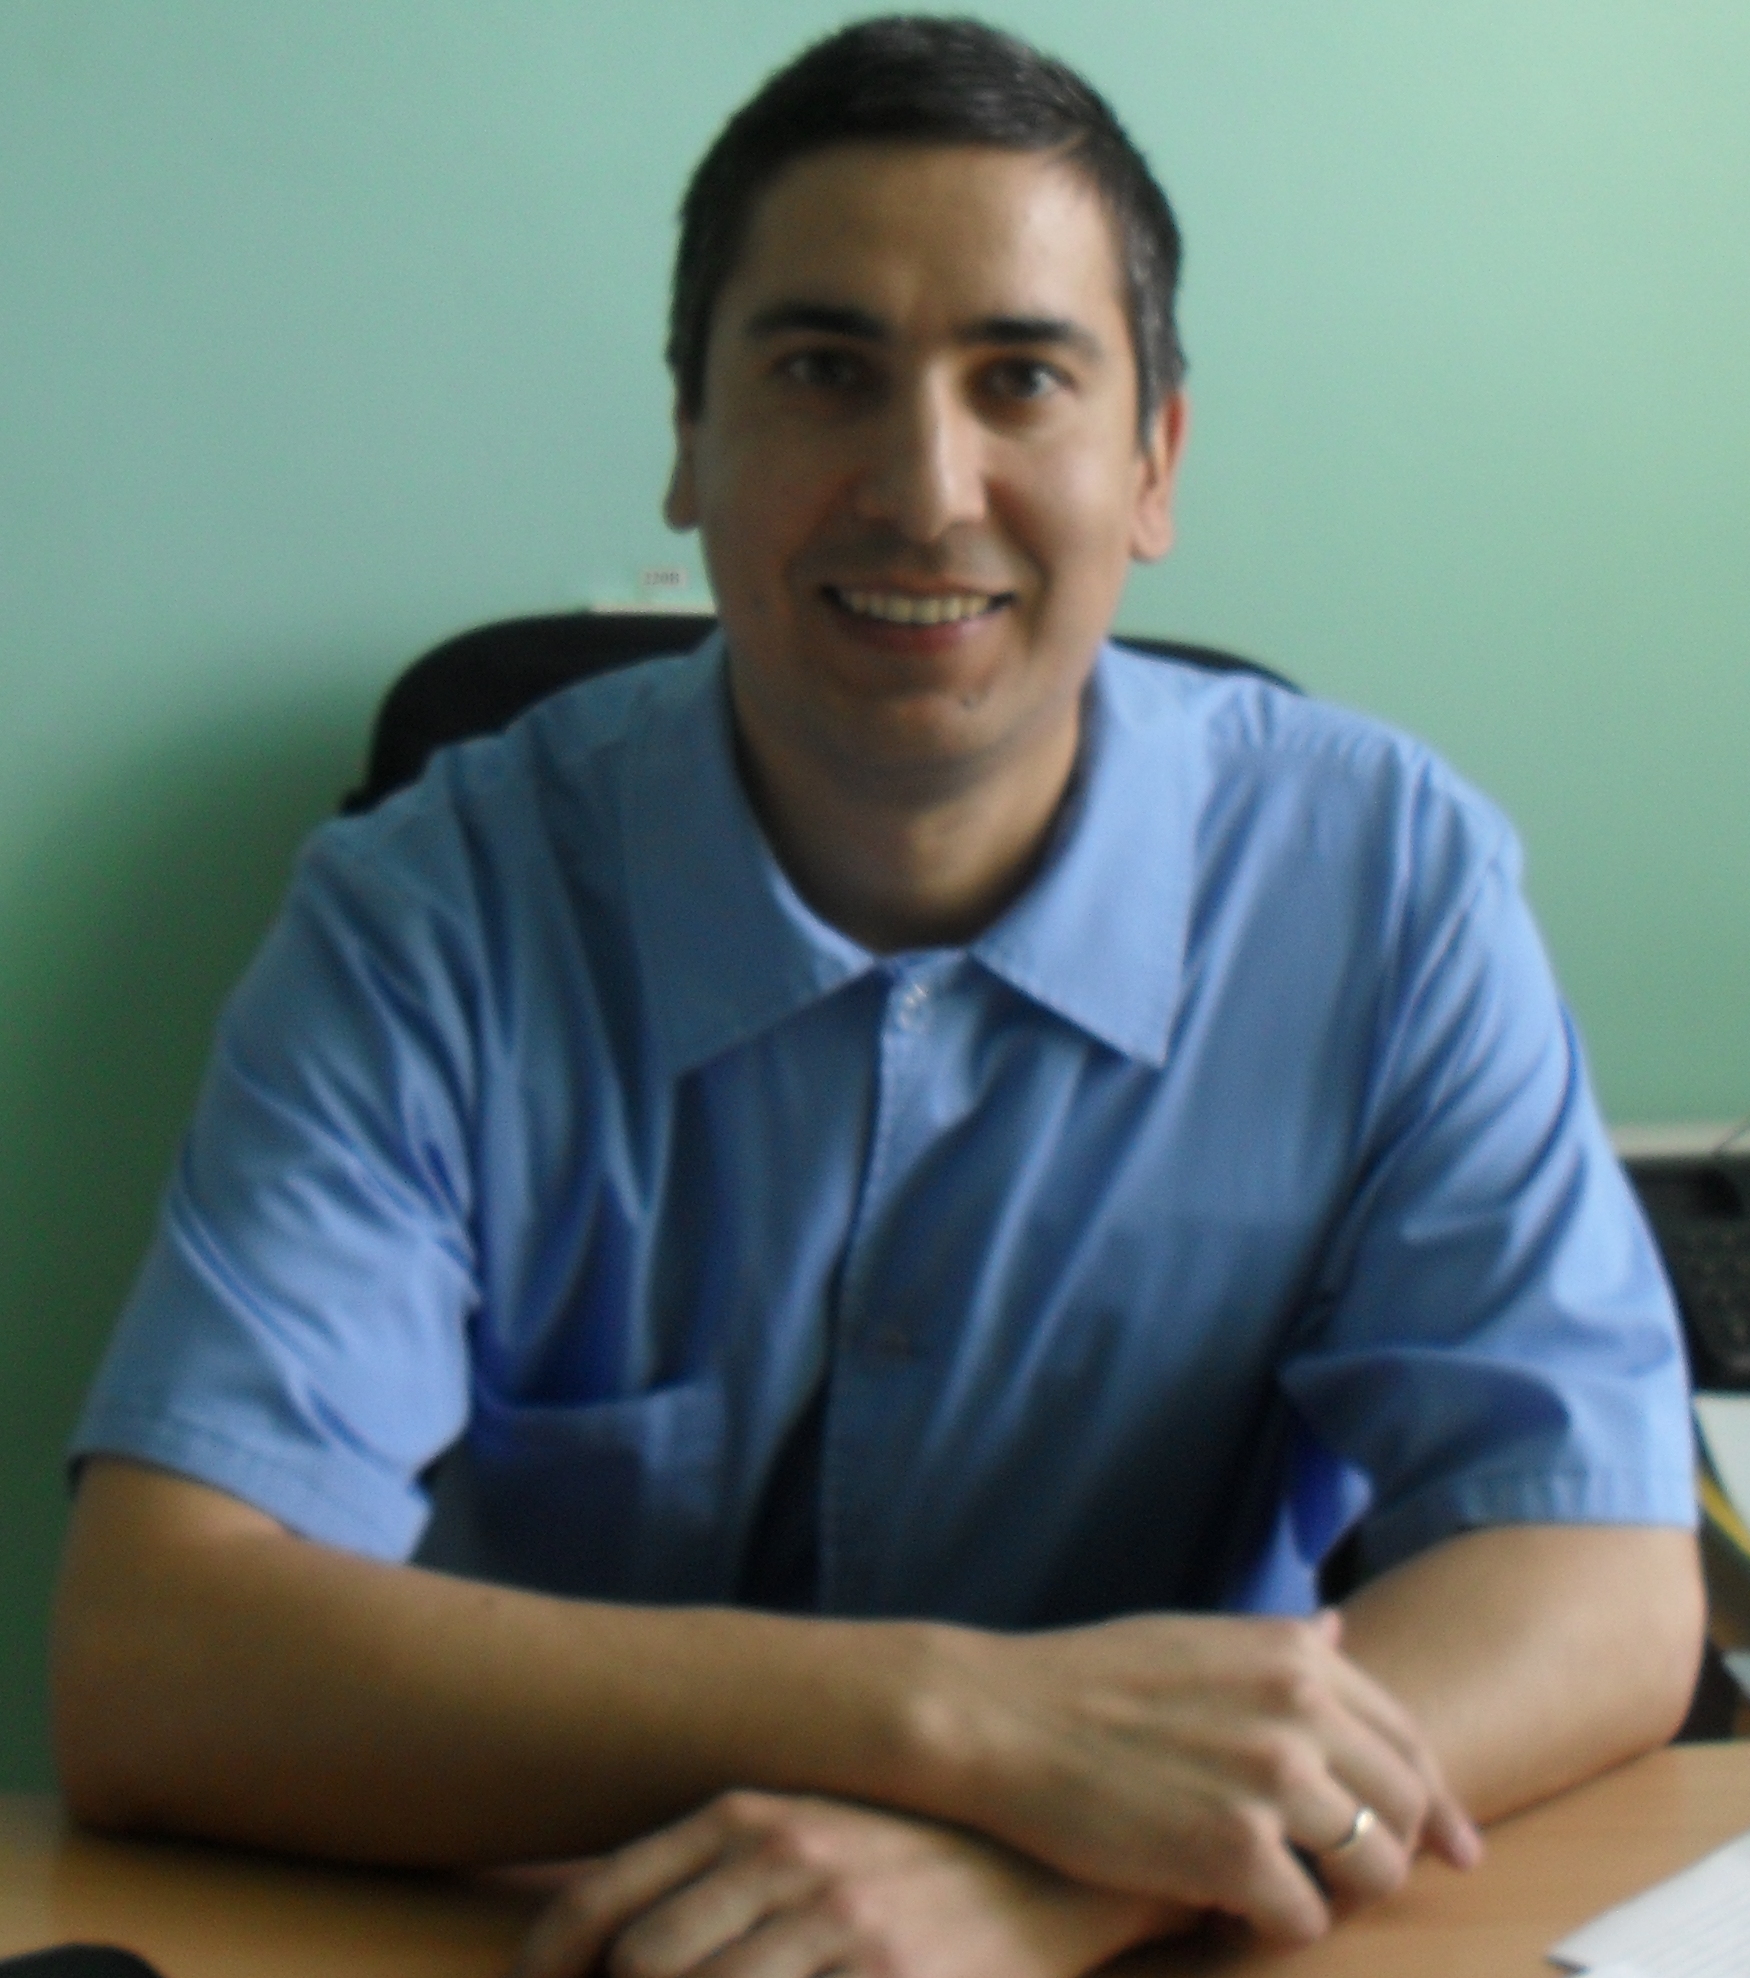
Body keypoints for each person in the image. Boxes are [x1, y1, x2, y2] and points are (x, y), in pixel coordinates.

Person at [54, 16, 1702, 1978]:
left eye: (1022, 378)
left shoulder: (1386, 884)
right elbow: (152, 1653)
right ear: (689, 441)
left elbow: (1602, 1578)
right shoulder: (431, 913)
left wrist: (1064, 1876)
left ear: (1153, 463)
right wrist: (958, 1722)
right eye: (822, 371)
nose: (924, 490)